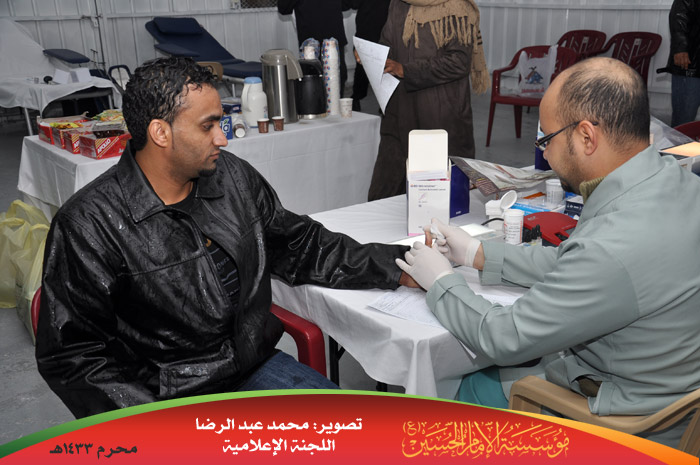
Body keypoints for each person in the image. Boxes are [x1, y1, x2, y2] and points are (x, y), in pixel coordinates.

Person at [35, 57, 413, 419]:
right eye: (208, 126)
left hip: (252, 370)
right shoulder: (89, 224)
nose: (223, 138)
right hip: (161, 400)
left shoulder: (232, 177)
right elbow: (74, 358)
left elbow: (300, 245)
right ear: (160, 132)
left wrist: (398, 266)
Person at [396, 57, 700, 448]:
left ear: (587, 137)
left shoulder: (611, 244)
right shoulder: (676, 182)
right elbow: (578, 264)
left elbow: (503, 338)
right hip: (672, 392)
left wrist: (441, 281)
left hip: (630, 423)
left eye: (547, 140)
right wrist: (477, 253)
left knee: (466, 385)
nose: (547, 155)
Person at [366, 0, 489, 201]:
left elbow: (459, 63)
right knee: (383, 195)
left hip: (440, 116)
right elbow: (387, 44)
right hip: (398, 112)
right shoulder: (398, 3)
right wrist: (372, 55)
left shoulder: (457, 6)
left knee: (439, 200)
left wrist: (405, 70)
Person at [277, 0, 349, 96]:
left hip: (319, 39)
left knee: (323, 85)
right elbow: (284, 8)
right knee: (323, 84)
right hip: (321, 40)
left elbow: (284, 8)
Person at [342, 0, 391, 111]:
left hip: (371, 28)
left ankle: (358, 99)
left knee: (365, 66)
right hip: (378, 28)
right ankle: (384, 103)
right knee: (378, 66)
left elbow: (349, 4)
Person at [665, 0, 700, 127]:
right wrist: (680, 48)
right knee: (684, 119)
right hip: (691, 64)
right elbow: (678, 17)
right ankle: (677, 140)